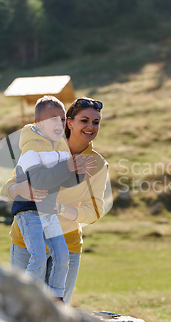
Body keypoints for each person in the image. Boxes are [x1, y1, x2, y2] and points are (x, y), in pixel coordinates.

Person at [6, 96, 109, 305]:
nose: (91, 127)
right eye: (84, 121)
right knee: (22, 310)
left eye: (96, 122)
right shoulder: (43, 143)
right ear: (69, 122)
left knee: (57, 315)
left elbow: (95, 210)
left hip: (67, 243)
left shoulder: (97, 164)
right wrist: (20, 189)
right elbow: (11, 186)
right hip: (26, 240)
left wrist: (62, 209)